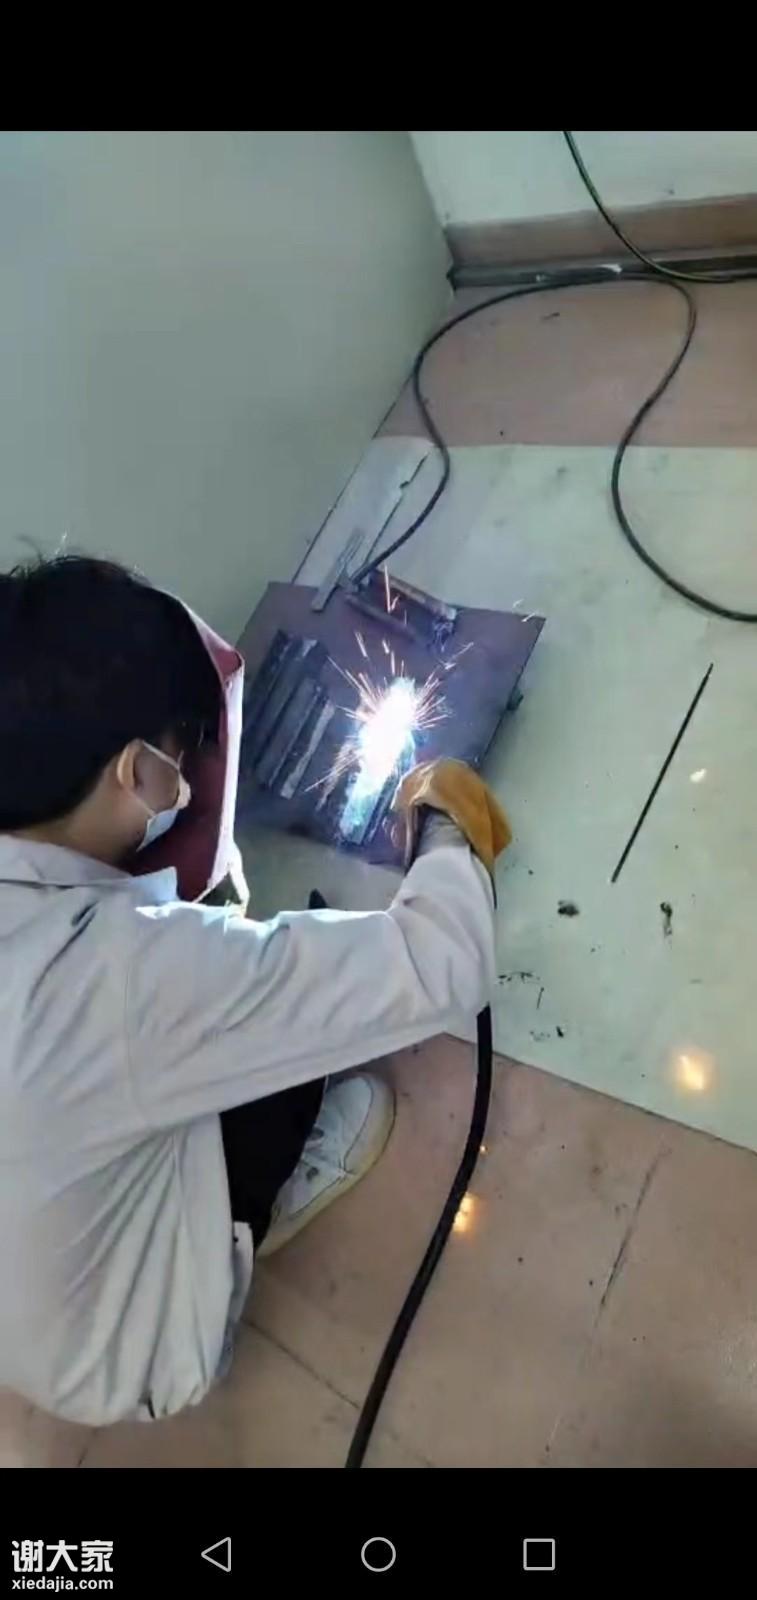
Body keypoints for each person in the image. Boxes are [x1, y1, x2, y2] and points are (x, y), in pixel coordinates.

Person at [0, 554, 509, 1427]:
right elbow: (442, 962)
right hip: (121, 1355)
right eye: (178, 755)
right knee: (283, 1038)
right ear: (136, 771)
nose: (186, 775)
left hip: (24, 1301)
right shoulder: (123, 977)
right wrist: (442, 830)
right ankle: (260, 1206)